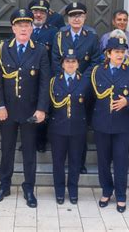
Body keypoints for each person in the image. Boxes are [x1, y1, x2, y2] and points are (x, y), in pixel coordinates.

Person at [0, 8, 50, 208]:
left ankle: (28, 188)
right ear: (13, 28)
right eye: (19, 25)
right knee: (6, 150)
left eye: (27, 25)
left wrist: (41, 109)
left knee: (29, 152)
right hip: (6, 110)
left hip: (30, 111)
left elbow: (44, 82)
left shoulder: (40, 50)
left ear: (32, 28)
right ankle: (4, 185)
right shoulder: (1, 48)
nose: (24, 29)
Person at [91, 37, 129, 213]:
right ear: (108, 53)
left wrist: (127, 101)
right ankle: (106, 191)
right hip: (101, 123)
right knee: (103, 161)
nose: (120, 55)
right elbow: (90, 97)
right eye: (117, 52)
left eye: (123, 51)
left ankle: (121, 196)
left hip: (122, 125)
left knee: (121, 161)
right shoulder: (97, 71)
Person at [52, 2, 101, 174]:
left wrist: (82, 82)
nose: (76, 19)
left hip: (83, 89)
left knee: (81, 125)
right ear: (67, 18)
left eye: (79, 15)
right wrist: (64, 80)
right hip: (62, 87)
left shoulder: (92, 37)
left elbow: (95, 61)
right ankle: (60, 160)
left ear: (85, 17)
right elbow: (56, 60)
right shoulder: (60, 36)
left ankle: (79, 162)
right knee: (61, 122)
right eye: (73, 15)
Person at [49, 49, 90, 205]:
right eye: (67, 61)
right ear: (62, 64)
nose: (70, 64)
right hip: (58, 128)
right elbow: (49, 105)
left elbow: (89, 104)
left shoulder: (85, 81)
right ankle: (59, 191)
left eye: (73, 61)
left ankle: (73, 190)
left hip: (78, 128)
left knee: (75, 161)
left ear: (78, 64)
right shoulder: (54, 81)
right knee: (58, 162)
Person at [29, 0, 58, 153]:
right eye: (35, 11)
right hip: (27, 77)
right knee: (27, 108)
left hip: (46, 77)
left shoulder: (53, 31)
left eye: (42, 12)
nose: (38, 15)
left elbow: (55, 56)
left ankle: (41, 140)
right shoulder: (25, 28)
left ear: (47, 14)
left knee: (43, 109)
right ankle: (27, 140)